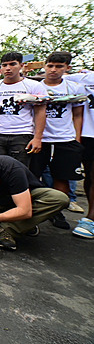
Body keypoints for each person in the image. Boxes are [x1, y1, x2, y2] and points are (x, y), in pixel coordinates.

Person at [0, 155, 69, 251]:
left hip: (25, 197)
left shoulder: (13, 170)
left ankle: (9, 228)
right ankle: (24, 223)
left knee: (59, 199)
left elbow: (25, 211)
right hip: (0, 199)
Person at [29, 52, 85, 229]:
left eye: (59, 66)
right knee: (32, 176)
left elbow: (78, 114)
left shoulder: (74, 88)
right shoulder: (35, 87)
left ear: (67, 68)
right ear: (44, 66)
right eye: (50, 65)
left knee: (61, 178)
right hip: (39, 138)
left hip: (65, 139)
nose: (53, 70)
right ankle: (31, 213)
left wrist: (76, 139)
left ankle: (56, 212)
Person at [0, 52, 47, 167]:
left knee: (18, 172)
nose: (8, 68)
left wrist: (37, 138)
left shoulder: (34, 86)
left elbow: (40, 112)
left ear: (21, 65)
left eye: (12, 64)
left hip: (22, 135)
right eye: (4, 65)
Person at [64, 68, 94, 238]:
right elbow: (54, 76)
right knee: (88, 176)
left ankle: (90, 219)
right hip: (86, 134)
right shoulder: (84, 78)